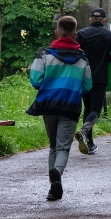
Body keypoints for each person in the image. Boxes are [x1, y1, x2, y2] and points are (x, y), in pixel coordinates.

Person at [26, 16, 93, 200]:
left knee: (53, 147)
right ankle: (56, 173)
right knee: (63, 148)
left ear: (57, 33)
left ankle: (53, 188)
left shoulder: (45, 55)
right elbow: (87, 86)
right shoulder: (82, 59)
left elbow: (35, 79)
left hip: (48, 104)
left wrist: (49, 86)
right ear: (75, 35)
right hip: (70, 106)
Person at [74, 8, 111, 155]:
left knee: (88, 108)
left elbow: (75, 51)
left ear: (90, 19)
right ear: (104, 20)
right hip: (99, 77)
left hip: (84, 76)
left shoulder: (81, 34)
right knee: (96, 110)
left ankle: (89, 143)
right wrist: (106, 59)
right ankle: (84, 132)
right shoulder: (110, 35)